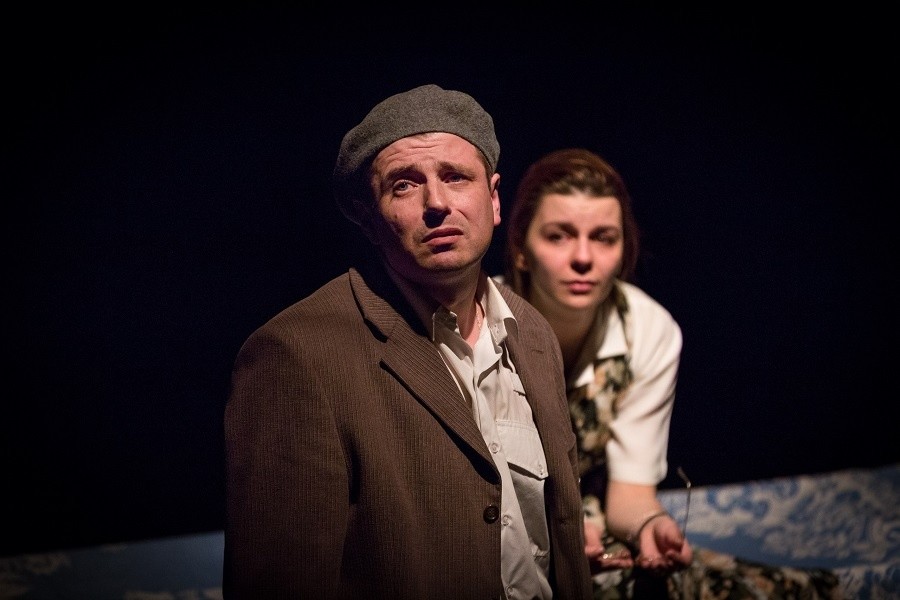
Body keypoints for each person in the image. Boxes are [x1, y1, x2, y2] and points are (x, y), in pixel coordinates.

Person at [223, 85, 593, 600]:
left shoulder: (530, 332)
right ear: (369, 219)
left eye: (455, 177)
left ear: (493, 198)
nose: (436, 203)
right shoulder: (298, 355)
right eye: (403, 185)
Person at [502, 148, 843, 599]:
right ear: (521, 250)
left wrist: (650, 525)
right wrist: (556, 526)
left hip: (589, 520)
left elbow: (630, 493)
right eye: (559, 236)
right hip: (498, 525)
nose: (583, 257)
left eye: (604, 238)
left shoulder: (646, 330)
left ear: (624, 249)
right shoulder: (480, 325)